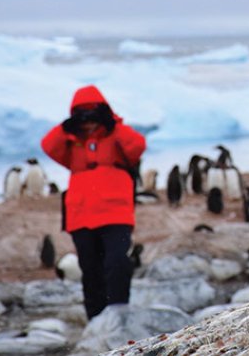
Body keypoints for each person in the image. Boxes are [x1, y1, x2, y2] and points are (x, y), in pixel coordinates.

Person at [41, 85, 146, 320]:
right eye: (82, 119)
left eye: (93, 117)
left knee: (117, 262)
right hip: (82, 215)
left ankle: (119, 314)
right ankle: (96, 320)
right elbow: (48, 145)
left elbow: (137, 145)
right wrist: (67, 126)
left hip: (115, 213)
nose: (88, 124)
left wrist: (112, 122)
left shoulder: (116, 135)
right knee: (90, 270)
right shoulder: (71, 142)